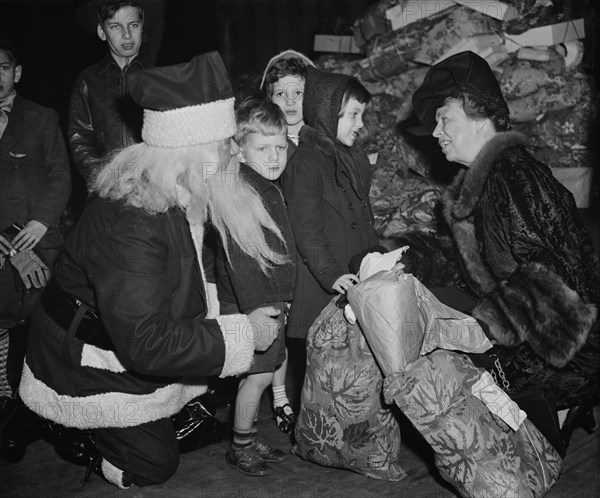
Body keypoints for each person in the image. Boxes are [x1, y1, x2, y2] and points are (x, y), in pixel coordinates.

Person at [18, 52, 286, 489]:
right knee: (155, 464)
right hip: (84, 353)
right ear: (191, 148)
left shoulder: (182, 184)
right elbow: (145, 343)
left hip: (128, 331)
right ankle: (65, 429)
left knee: (205, 398)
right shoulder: (133, 222)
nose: (235, 152)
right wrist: (244, 333)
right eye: (225, 144)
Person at [401, 50, 599, 453]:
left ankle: (561, 404)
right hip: (532, 336)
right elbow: (466, 265)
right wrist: (400, 259)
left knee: (458, 391)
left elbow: (552, 290)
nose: (436, 131)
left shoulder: (516, 176)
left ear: (480, 117)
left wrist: (488, 351)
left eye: (445, 118)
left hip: (568, 347)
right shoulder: (485, 181)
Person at [216, 96, 296, 476]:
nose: (275, 156)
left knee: (263, 374)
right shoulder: (242, 193)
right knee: (257, 376)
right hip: (257, 306)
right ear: (240, 150)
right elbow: (239, 259)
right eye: (262, 148)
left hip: (270, 302)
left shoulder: (265, 185)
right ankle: (239, 445)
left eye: (280, 146)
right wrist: (255, 311)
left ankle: (246, 435)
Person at [0, 40, 71, 451]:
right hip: (2, 252)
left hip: (38, 244)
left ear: (18, 73)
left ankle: (51, 414)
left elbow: (61, 176)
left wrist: (42, 221)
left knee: (43, 328)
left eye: (4, 68)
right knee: (5, 326)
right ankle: (11, 412)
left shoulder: (43, 119)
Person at [281, 66, 380, 342]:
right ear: (327, 113)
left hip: (355, 279)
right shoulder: (305, 164)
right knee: (327, 370)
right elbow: (305, 230)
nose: (360, 124)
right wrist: (330, 273)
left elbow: (364, 215)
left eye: (362, 115)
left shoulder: (352, 158)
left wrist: (377, 257)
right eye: (353, 115)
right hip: (325, 288)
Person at [259, 49, 314, 432]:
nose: (291, 102)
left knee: (309, 325)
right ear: (270, 99)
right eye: (282, 94)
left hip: (311, 244)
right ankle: (280, 398)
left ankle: (314, 397)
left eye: (299, 93)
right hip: (278, 244)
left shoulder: (318, 138)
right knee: (278, 323)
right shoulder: (265, 139)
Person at [68, 0, 162, 187]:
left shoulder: (160, 78)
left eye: (133, 25)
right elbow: (79, 138)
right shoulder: (88, 80)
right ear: (102, 32)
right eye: (115, 26)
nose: (127, 35)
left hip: (155, 189)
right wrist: (106, 179)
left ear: (142, 27)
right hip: (107, 191)